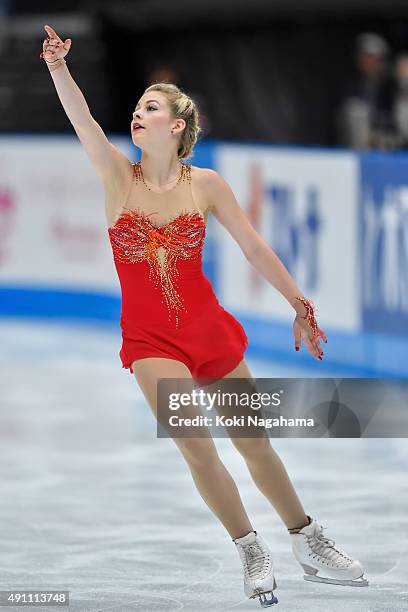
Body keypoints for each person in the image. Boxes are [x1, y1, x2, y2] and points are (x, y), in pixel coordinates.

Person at [40, 24, 369, 607]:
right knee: (195, 443)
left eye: (151, 107)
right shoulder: (119, 175)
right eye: (138, 107)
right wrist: (60, 69)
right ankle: (249, 546)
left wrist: (300, 305)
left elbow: (254, 248)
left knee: (255, 443)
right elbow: (83, 122)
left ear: (178, 125)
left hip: (208, 331)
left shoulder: (208, 185)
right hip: (149, 339)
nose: (138, 114)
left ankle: (307, 537)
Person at [337, 32, 395, 149]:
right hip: (360, 140)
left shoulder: (390, 84)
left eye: (373, 58)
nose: (368, 62)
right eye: (364, 57)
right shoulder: (350, 82)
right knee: (355, 111)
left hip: (385, 136)